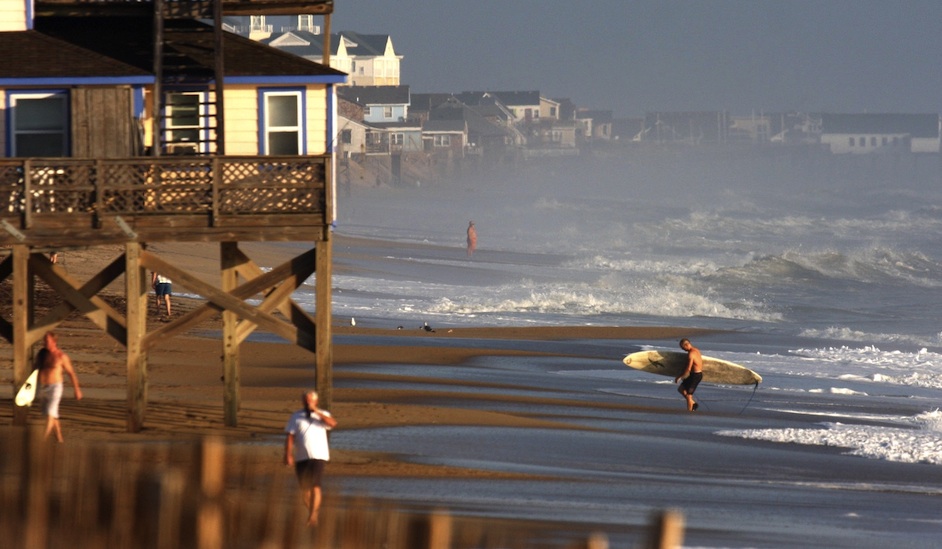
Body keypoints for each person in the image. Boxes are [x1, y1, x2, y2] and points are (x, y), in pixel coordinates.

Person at [284, 390, 338, 526]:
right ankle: (313, 513)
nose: (308, 403)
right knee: (304, 490)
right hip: (301, 457)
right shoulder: (296, 416)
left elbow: (333, 423)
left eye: (311, 400)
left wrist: (316, 412)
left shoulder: (323, 414)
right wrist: (288, 454)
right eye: (306, 400)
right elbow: (290, 436)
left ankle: (313, 516)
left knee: (315, 485)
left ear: (316, 401)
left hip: (318, 455)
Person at [37, 331, 82, 442]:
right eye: (44, 340)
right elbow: (34, 369)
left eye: (47, 341)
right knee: (52, 414)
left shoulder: (61, 356)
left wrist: (77, 390)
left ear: (54, 341)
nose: (45, 343)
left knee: (50, 413)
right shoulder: (41, 355)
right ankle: (59, 439)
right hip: (42, 387)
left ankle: (42, 441)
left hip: (55, 388)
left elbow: (71, 373)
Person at [674, 338, 703, 412]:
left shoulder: (691, 354)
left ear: (686, 345)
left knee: (689, 395)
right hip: (693, 375)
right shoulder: (696, 350)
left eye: (682, 347)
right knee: (681, 389)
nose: (682, 349)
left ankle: (690, 411)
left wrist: (680, 377)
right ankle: (693, 403)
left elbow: (688, 368)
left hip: (696, 376)